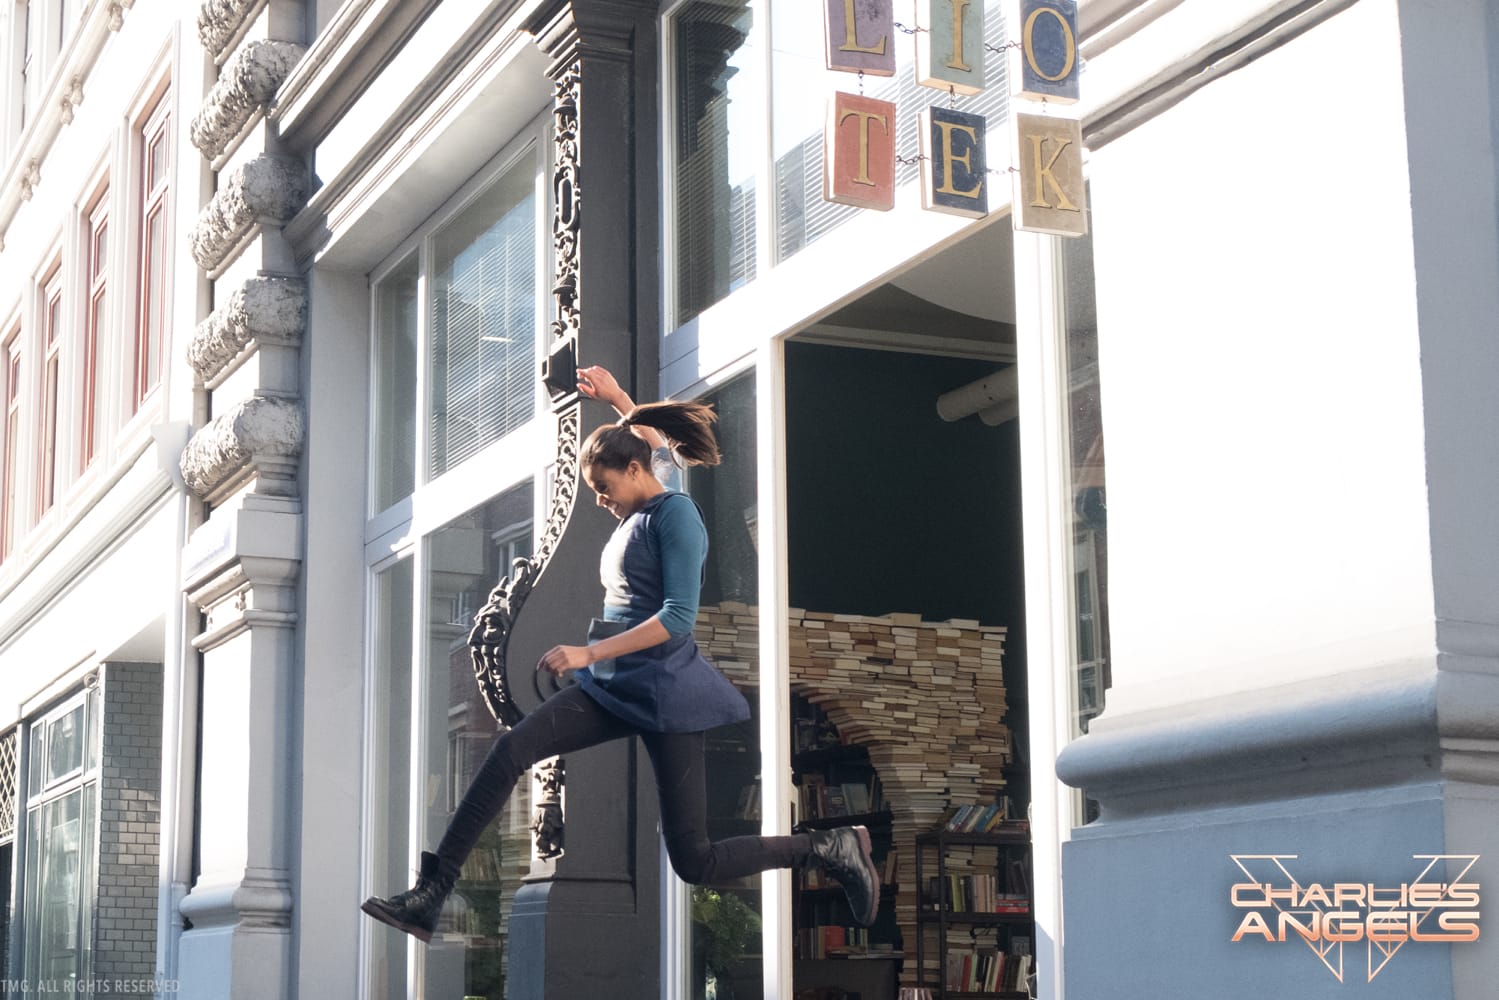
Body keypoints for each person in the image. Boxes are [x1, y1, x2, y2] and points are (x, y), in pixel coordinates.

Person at [360, 365, 880, 943]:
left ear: (632, 472)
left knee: (695, 860)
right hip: (617, 684)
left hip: (666, 692)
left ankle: (829, 847)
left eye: (604, 487)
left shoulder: (677, 517)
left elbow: (678, 618)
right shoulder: (649, 497)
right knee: (512, 749)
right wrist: (617, 400)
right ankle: (431, 893)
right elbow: (652, 448)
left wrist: (589, 653)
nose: (601, 500)